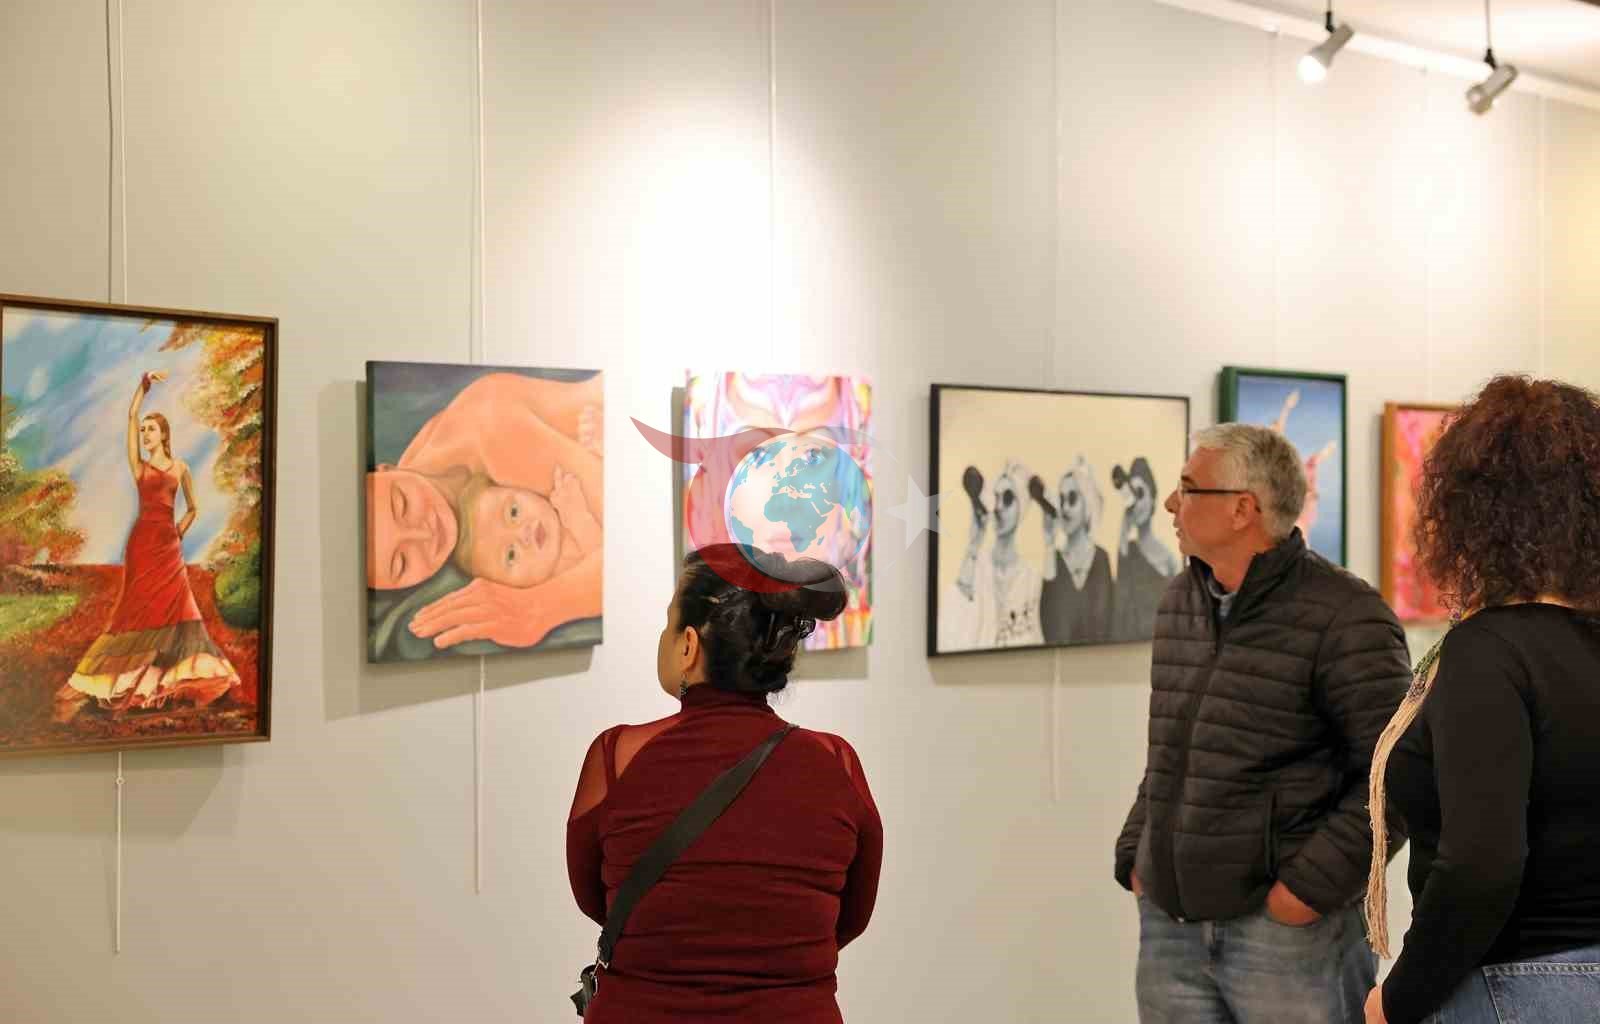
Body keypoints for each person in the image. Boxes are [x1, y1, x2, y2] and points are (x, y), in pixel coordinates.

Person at [1114, 422, 1410, 1023]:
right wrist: (1136, 853)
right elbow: (1172, 752)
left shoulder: (1347, 615)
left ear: (1242, 509)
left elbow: (1398, 776)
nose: (1170, 503)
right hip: (1170, 927)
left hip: (1289, 938)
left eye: (1188, 488)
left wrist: (1305, 893)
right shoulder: (1179, 602)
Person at [1362, 377, 1600, 1024]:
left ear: (1472, 510)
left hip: (1518, 987)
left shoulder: (1489, 651)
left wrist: (1397, 999)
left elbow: (1481, 866)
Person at [566, 544, 882, 1022]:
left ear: (689, 646)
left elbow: (597, 901)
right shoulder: (836, 763)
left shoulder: (617, 757)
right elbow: (852, 917)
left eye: (669, 622)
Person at [364, 371, 603, 650]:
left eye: (403, 505)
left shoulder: (492, 435)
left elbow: (626, 545)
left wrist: (540, 607)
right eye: (402, 563)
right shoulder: (424, 484)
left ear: (387, 469)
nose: (424, 534)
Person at [53, 371, 242, 722]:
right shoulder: (139, 468)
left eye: (150, 430)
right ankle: (121, 680)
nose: (144, 435)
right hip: (142, 545)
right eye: (143, 431)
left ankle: (172, 678)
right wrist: (143, 387)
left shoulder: (181, 468)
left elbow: (194, 508)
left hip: (168, 547)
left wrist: (177, 533)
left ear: (164, 435)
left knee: (181, 608)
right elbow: (130, 417)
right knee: (136, 610)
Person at [937, 459, 1045, 650]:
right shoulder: (976, 567)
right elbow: (949, 632)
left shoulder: (1031, 578)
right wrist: (973, 544)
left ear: (1022, 509)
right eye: (996, 497)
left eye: (1008, 499)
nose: (999, 507)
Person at [1039, 456, 1113, 645]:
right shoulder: (1053, 559)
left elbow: (1107, 627)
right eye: (1061, 499)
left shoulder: (1102, 559)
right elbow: (1049, 629)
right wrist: (1049, 544)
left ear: (1087, 502)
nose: (1064, 508)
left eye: (1072, 498)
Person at [1110, 456, 1180, 642]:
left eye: (1140, 494)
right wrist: (1125, 524)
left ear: (1153, 500)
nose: (1136, 504)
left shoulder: (1169, 558)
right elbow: (1121, 596)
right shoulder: (1128, 551)